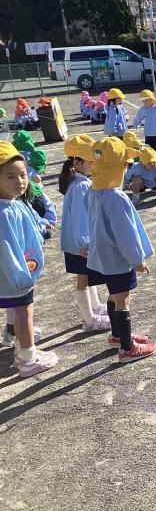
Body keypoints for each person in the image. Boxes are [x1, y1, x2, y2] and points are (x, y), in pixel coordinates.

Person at [86, 136, 156, 362]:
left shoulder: (94, 191)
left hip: (103, 256)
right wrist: (137, 260)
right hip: (117, 258)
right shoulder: (116, 197)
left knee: (114, 295)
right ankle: (127, 348)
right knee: (123, 300)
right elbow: (126, 234)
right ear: (120, 167)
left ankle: (117, 336)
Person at [0, 141, 59, 377]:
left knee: (20, 312)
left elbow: (31, 222)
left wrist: (43, 225)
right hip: (15, 276)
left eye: (23, 175)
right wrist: (20, 278)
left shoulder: (14, 203)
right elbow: (7, 249)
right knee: (25, 313)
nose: (20, 181)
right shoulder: (3, 212)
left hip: (19, 273)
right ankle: (28, 360)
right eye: (11, 177)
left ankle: (21, 350)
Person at [58, 134, 110, 332]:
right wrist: (85, 243)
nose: (94, 164)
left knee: (87, 275)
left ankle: (94, 308)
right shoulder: (80, 186)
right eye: (91, 161)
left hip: (77, 242)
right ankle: (89, 320)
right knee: (83, 277)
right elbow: (81, 218)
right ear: (77, 163)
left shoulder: (76, 182)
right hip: (80, 244)